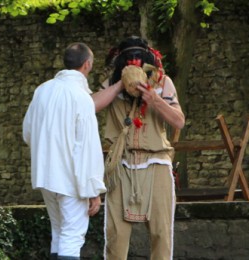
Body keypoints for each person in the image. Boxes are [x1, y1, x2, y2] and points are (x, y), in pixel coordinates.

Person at [92, 36, 185, 260]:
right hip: (122, 165)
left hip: (157, 162)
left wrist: (155, 100)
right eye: (128, 60)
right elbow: (90, 106)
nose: (134, 63)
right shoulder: (110, 83)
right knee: (116, 236)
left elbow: (179, 121)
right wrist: (119, 85)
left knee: (161, 233)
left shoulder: (163, 82)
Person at [22, 42, 106, 260]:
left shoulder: (42, 90)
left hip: (45, 175)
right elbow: (88, 147)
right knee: (72, 236)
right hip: (71, 178)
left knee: (58, 232)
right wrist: (93, 189)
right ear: (87, 64)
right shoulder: (81, 98)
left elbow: (28, 133)